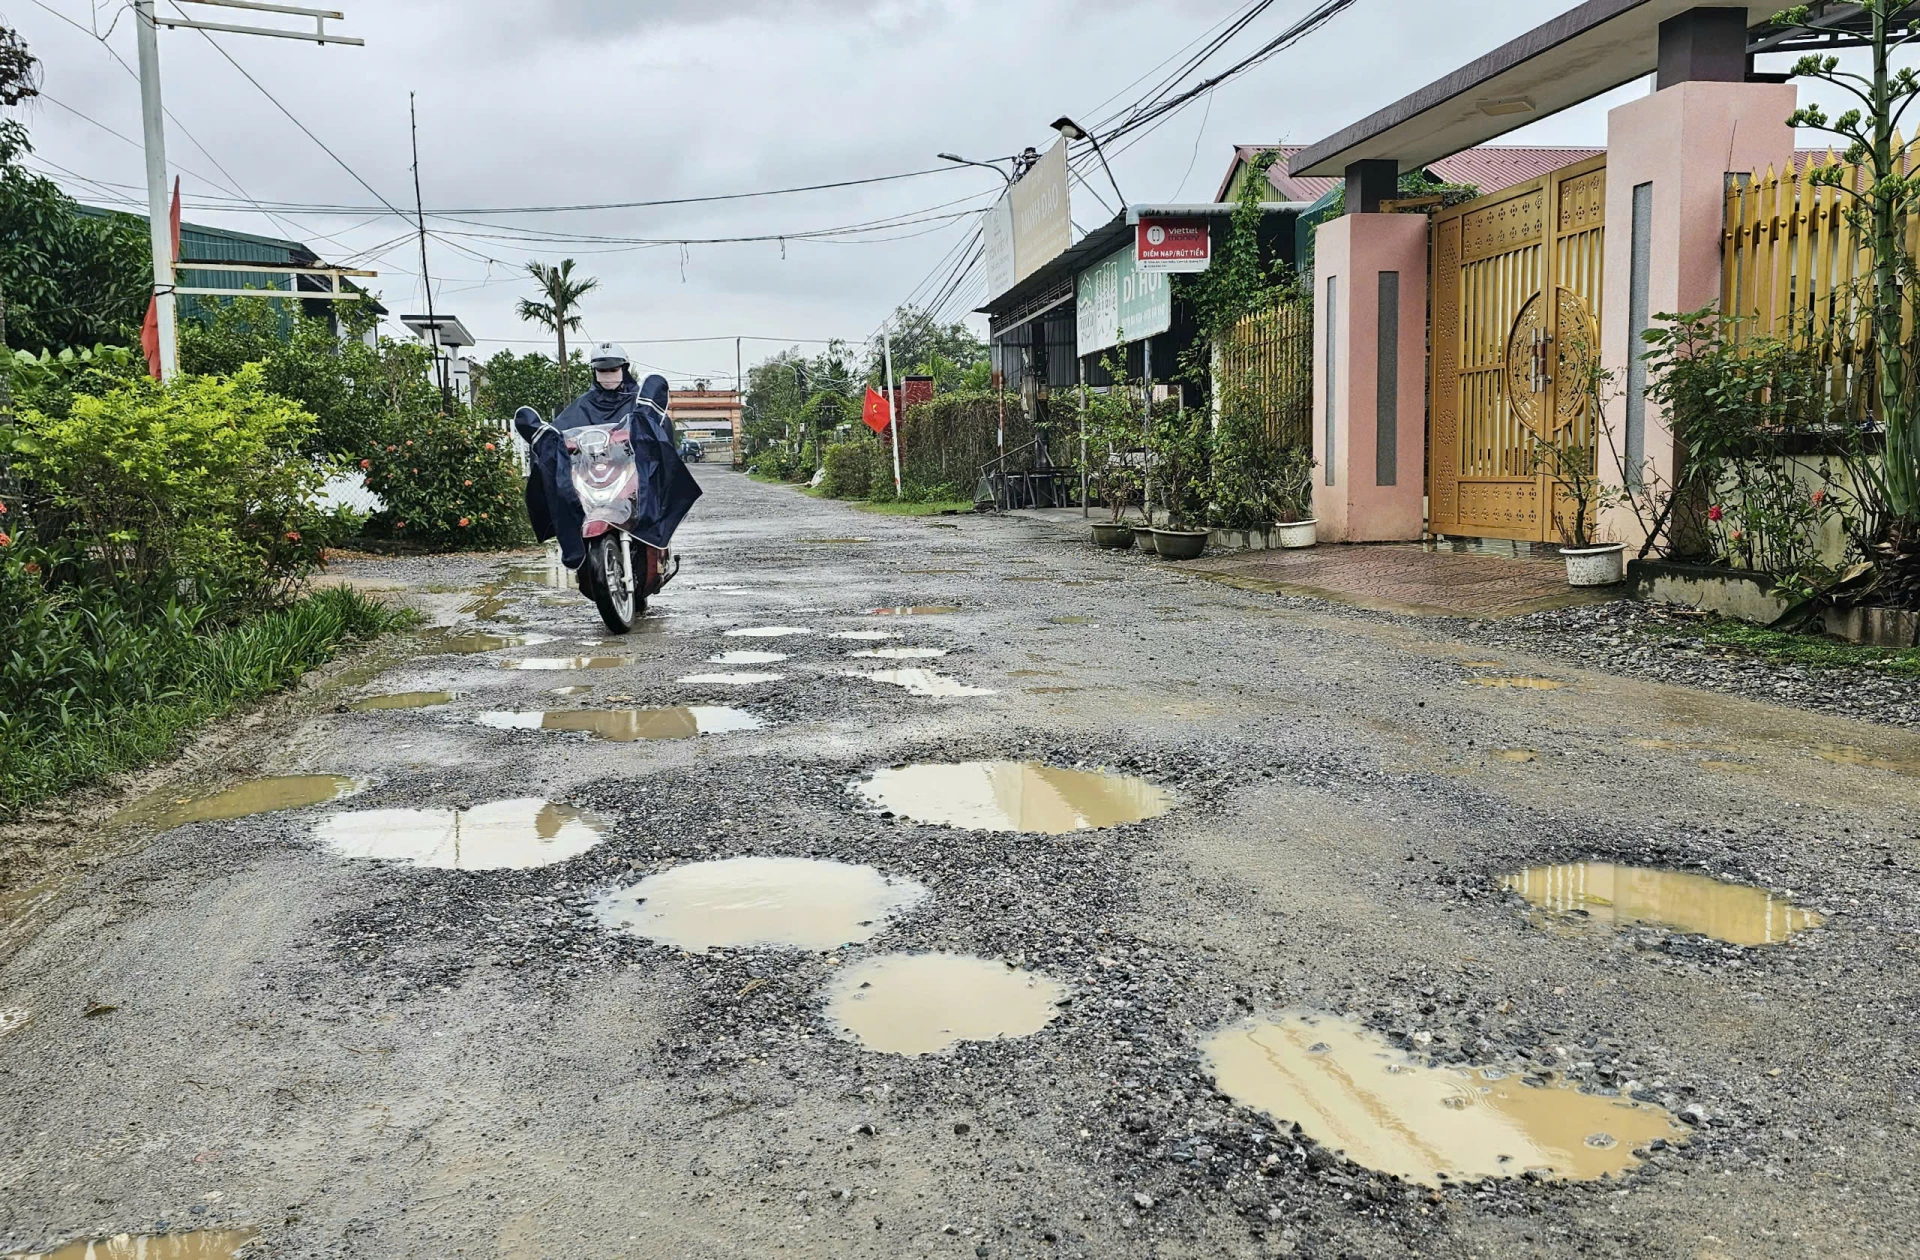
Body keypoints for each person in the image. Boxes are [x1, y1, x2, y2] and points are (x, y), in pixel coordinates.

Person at [521, 342, 702, 573]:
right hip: (592, 478)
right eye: (602, 370)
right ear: (594, 372)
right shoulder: (583, 405)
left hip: (632, 476)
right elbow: (561, 432)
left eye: (613, 369)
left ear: (624, 369)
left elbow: (661, 435)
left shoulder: (639, 402)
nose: (608, 375)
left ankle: (656, 550)